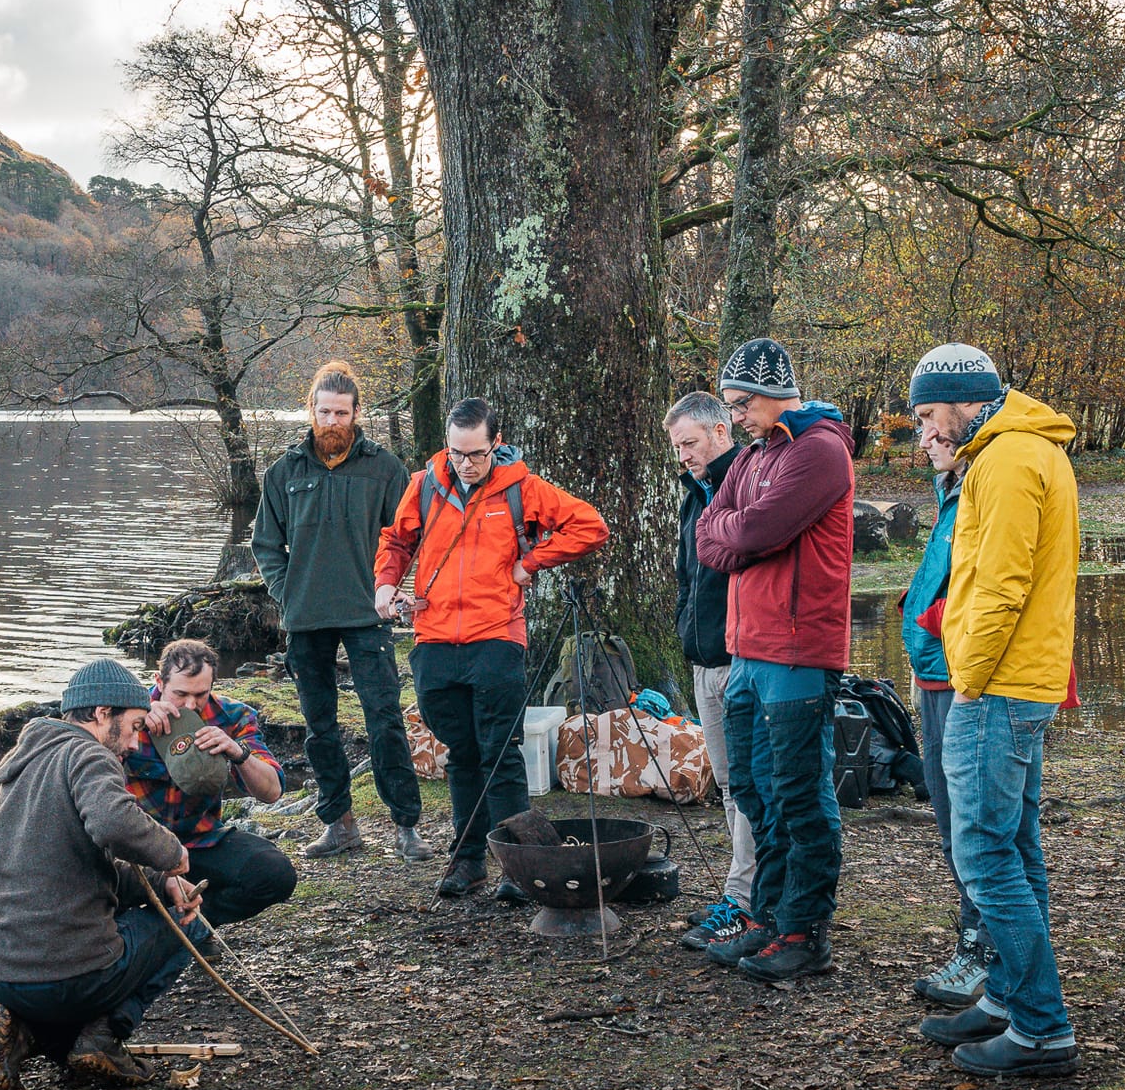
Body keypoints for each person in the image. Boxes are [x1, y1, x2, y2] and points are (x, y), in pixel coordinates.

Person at [908, 342, 1082, 1078]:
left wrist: (968, 675)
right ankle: (1011, 1000)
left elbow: (1000, 585)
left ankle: (1042, 1027)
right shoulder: (1018, 450)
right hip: (1019, 680)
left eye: (925, 414)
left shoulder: (1009, 461)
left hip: (997, 684)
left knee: (983, 849)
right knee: (1015, 844)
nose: (923, 430)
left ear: (960, 397)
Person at [374, 397, 609, 900]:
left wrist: (533, 563)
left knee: (501, 752)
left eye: (476, 454)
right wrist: (384, 587)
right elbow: (395, 542)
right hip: (433, 638)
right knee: (460, 752)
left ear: (495, 445)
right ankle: (467, 861)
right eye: (457, 453)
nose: (465, 464)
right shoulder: (424, 485)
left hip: (498, 636)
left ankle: (516, 868)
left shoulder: (523, 487)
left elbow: (590, 525)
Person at [695, 338, 855, 982]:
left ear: (770, 393)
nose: (733, 418)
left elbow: (753, 532)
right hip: (746, 649)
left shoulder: (819, 451)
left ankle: (804, 930)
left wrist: (739, 534)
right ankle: (766, 917)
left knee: (798, 795)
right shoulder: (756, 454)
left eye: (739, 404)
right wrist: (738, 533)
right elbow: (712, 533)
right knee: (754, 791)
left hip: (797, 650)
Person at [0, 657, 208, 1090]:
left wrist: (161, 885)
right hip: (70, 978)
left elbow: (82, 869)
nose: (137, 744)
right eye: (136, 726)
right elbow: (114, 824)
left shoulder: (23, 765)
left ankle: (21, 1029)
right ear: (103, 714)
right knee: (189, 925)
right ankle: (102, 1038)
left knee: (72, 985)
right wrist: (172, 855)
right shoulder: (88, 753)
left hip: (4, 975)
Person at [254, 361, 431, 864]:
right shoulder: (284, 472)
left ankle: (407, 827)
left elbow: (408, 538)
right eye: (323, 411)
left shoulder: (384, 468)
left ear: (357, 414)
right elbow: (266, 544)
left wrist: (392, 587)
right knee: (319, 726)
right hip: (305, 617)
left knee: (384, 718)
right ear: (310, 410)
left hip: (366, 613)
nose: (332, 421)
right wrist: (288, 593)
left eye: (341, 412)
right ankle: (339, 824)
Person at [901, 406, 993, 1007]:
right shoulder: (951, 491)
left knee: (974, 827)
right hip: (935, 674)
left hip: (964, 681)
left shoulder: (984, 487)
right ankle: (973, 949)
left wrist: (934, 624)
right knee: (950, 824)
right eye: (917, 421)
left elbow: (987, 586)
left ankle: (983, 957)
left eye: (932, 417)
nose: (925, 435)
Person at [664, 390, 759, 951]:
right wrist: (685, 629)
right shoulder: (693, 493)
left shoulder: (741, 483)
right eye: (677, 447)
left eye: (690, 443)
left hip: (740, 658)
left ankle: (745, 898)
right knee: (726, 786)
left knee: (746, 785)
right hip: (703, 659)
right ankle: (742, 890)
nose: (683, 455)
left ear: (721, 432)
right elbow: (687, 573)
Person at [125, 638, 298, 928]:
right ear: (159, 681)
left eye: (201, 694)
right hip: (138, 846)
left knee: (274, 873)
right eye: (180, 694)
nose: (191, 705)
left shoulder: (233, 716)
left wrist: (237, 752)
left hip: (198, 843)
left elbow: (272, 792)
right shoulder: (128, 712)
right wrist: (137, 717)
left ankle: (193, 927)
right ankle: (146, 928)